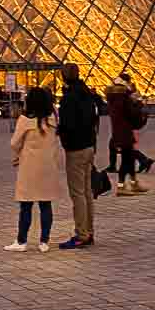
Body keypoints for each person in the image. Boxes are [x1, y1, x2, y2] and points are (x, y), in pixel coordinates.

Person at [7, 86, 61, 252]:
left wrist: (17, 156)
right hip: (48, 166)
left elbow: (14, 143)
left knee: (26, 206)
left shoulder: (25, 120)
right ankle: (44, 241)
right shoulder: (52, 119)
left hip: (29, 166)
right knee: (46, 205)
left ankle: (21, 241)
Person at [56, 64, 99, 250]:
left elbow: (68, 125)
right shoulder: (87, 93)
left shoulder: (69, 99)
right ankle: (88, 231)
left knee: (78, 193)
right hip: (89, 146)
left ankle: (81, 234)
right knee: (87, 192)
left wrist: (61, 135)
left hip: (76, 149)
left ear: (63, 78)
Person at [105, 73, 147, 196]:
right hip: (125, 132)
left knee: (130, 157)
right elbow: (132, 114)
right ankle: (121, 186)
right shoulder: (123, 99)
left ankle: (133, 183)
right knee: (126, 160)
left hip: (120, 131)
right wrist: (138, 105)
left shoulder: (114, 98)